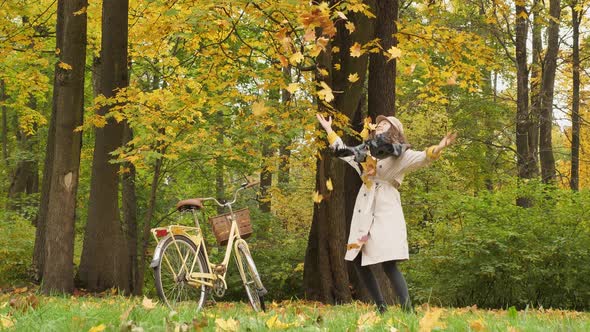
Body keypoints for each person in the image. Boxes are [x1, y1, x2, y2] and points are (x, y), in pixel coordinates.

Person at [316, 113, 456, 313]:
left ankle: (408, 310)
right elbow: (344, 152)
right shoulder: (365, 153)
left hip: (385, 209)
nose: (379, 126)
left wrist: (439, 147)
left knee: (388, 263)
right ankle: (381, 307)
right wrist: (329, 130)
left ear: (394, 131)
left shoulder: (400, 155)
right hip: (365, 209)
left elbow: (423, 157)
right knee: (356, 257)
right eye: (378, 124)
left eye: (385, 124)